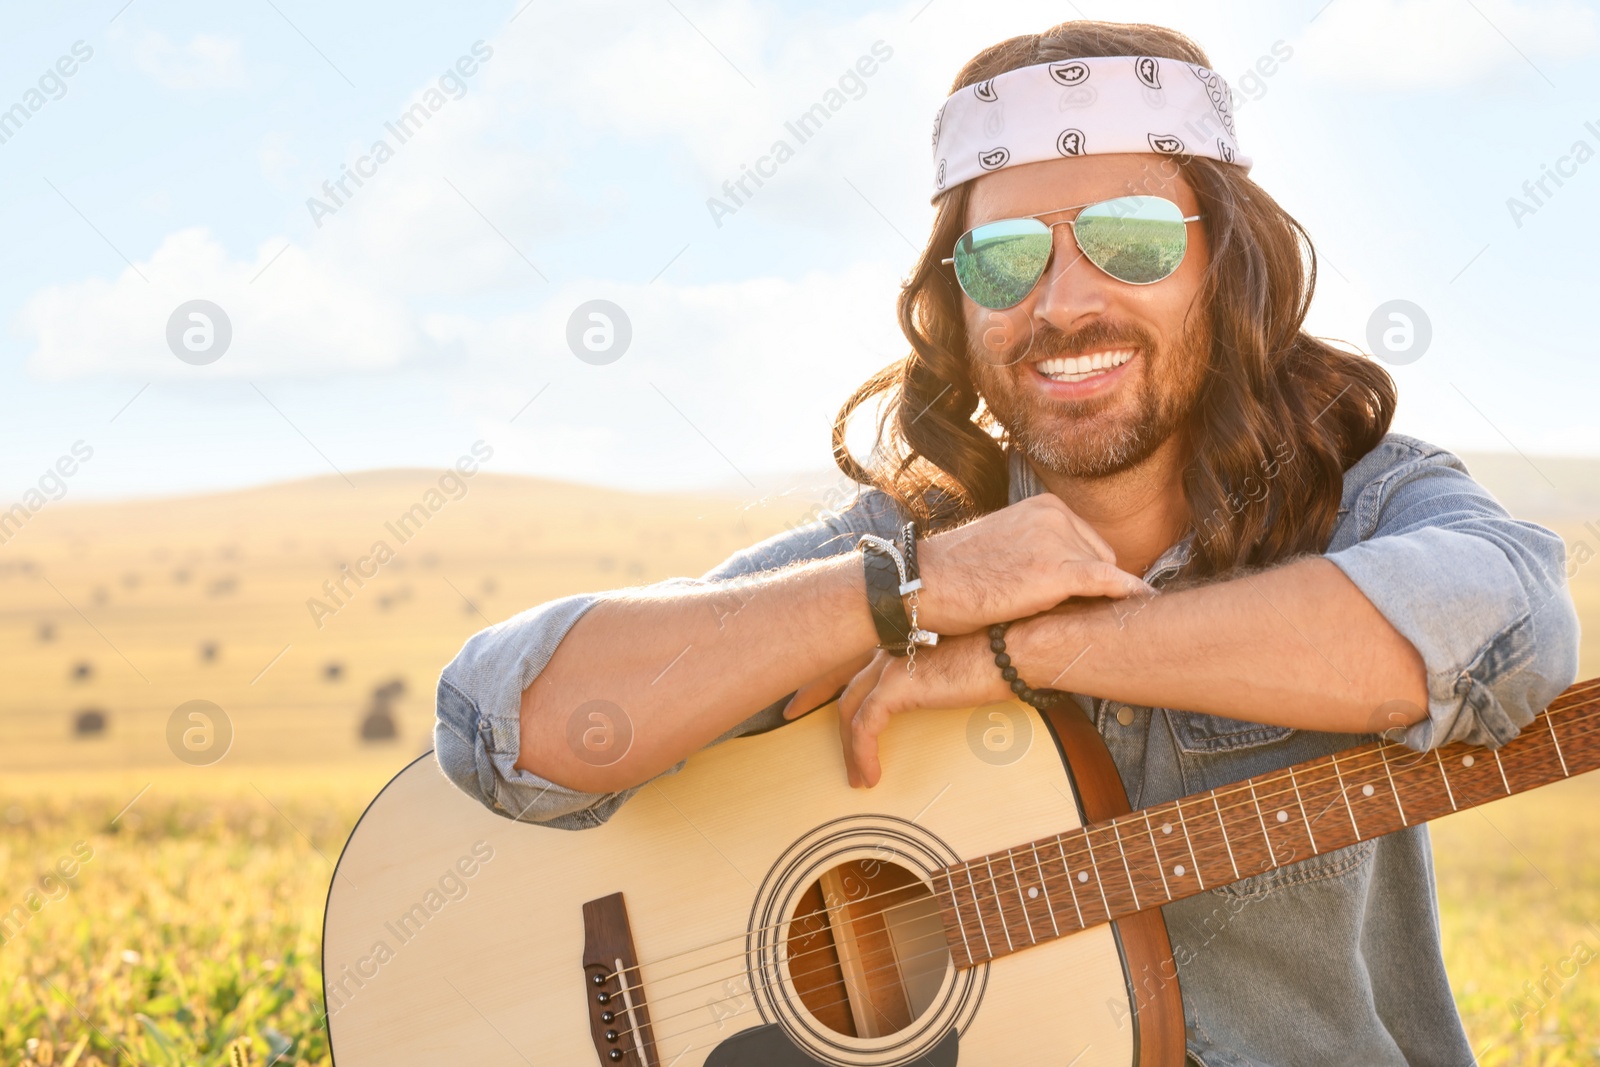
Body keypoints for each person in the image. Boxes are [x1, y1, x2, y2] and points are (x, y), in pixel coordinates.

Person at [432, 19, 1580, 1065]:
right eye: (1003, 257)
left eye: (1129, 240)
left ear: (1224, 264)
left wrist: (1034, 651)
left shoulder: (1364, 497)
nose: (1061, 301)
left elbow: (1509, 636)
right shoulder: (912, 546)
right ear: (956, 298)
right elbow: (500, 722)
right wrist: (914, 589)